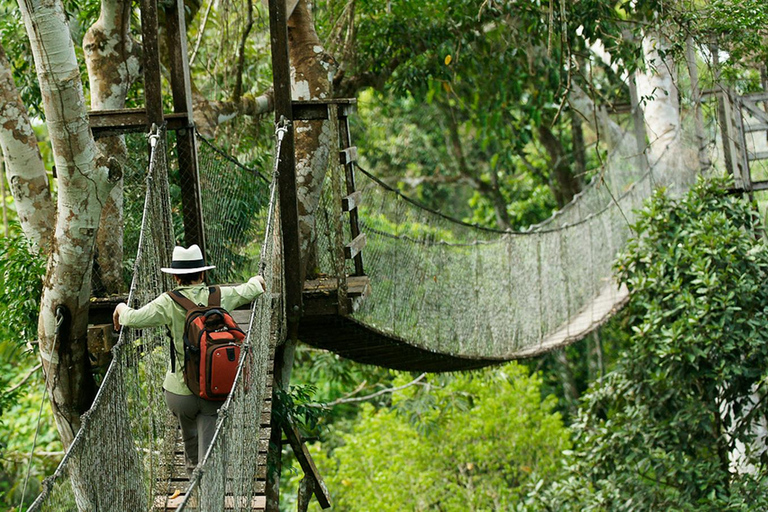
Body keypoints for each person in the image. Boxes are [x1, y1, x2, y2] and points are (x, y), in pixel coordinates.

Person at [112, 244, 265, 475]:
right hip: (213, 390)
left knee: (188, 430)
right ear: (202, 273)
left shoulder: (167, 301)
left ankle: (193, 469)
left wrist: (121, 307)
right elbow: (252, 290)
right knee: (209, 446)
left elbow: (133, 318)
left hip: (179, 396)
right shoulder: (219, 295)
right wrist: (257, 279)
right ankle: (206, 481)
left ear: (175, 276)